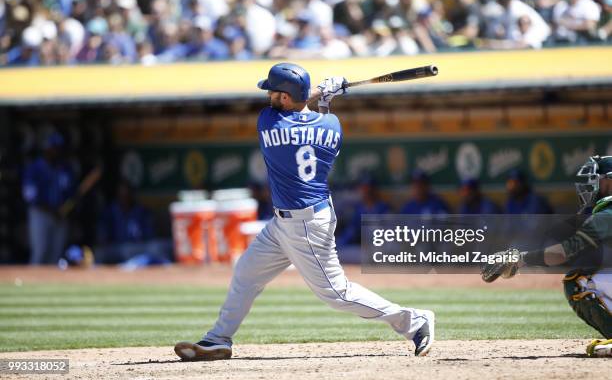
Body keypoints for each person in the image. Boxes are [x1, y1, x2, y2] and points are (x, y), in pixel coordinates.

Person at [174, 62, 435, 361]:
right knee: (247, 272)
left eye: (273, 92)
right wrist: (326, 97)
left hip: (306, 226)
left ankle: (414, 321)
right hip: (289, 221)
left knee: (337, 293)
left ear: (285, 98)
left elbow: (301, 107)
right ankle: (218, 338)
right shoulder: (332, 125)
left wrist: (322, 92)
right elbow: (313, 117)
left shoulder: (268, 122)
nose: (269, 96)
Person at [482, 155, 612, 357]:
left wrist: (519, 258)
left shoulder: (607, 214)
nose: (591, 184)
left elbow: (562, 253)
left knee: (576, 281)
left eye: (597, 179)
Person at [22, 133, 75, 264]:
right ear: (47, 149)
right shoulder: (34, 169)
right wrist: (52, 211)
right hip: (40, 214)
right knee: (40, 251)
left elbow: (71, 193)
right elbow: (30, 196)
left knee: (56, 254)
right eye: (54, 148)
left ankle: (52, 284)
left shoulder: (65, 168)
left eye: (59, 148)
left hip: (61, 215)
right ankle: (31, 282)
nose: (57, 151)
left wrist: (67, 208)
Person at [96, 180, 156, 264]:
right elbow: (102, 236)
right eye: (122, 195)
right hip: (117, 248)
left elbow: (149, 236)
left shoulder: (142, 211)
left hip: (138, 248)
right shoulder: (110, 211)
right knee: (100, 253)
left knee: (155, 248)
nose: (125, 197)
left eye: (127, 194)